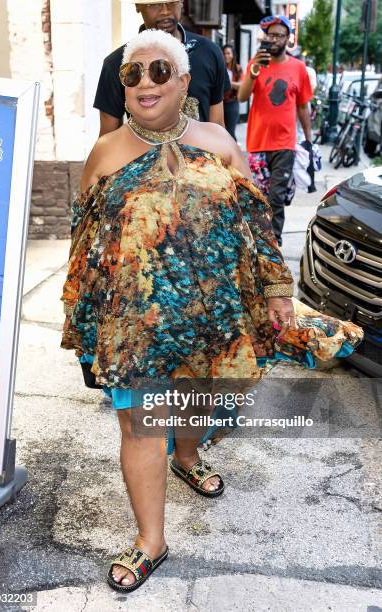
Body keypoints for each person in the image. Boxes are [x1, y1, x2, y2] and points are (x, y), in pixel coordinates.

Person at [61, 29, 363, 593]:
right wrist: (82, 317)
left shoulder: (219, 141)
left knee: (198, 400)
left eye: (158, 72)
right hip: (137, 324)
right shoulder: (107, 152)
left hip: (211, 313)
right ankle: (152, 540)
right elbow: (85, 239)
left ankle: (188, 456)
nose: (144, 84)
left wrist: (275, 292)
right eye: (133, 76)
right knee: (141, 425)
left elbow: (255, 227)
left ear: (182, 80)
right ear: (122, 89)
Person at [94, 0, 229, 135]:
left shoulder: (209, 52)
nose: (165, 10)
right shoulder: (117, 63)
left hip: (204, 152)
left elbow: (217, 126)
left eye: (172, 2)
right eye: (154, 4)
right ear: (138, 6)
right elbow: (108, 136)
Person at [238, 15, 313, 246]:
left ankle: (274, 244)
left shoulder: (298, 68)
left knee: (277, 197)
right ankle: (257, 240)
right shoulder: (255, 64)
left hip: (285, 143)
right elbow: (241, 96)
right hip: (257, 143)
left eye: (279, 35)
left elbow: (302, 106)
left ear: (288, 39)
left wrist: (309, 140)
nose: (273, 39)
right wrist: (254, 71)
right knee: (258, 198)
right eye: (270, 34)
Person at [222, 44, 242, 140]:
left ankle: (233, 153)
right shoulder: (220, 67)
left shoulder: (237, 68)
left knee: (230, 132)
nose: (226, 55)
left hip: (232, 103)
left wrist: (228, 83)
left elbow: (241, 85)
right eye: (224, 53)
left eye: (228, 53)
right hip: (219, 103)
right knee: (220, 131)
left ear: (233, 55)